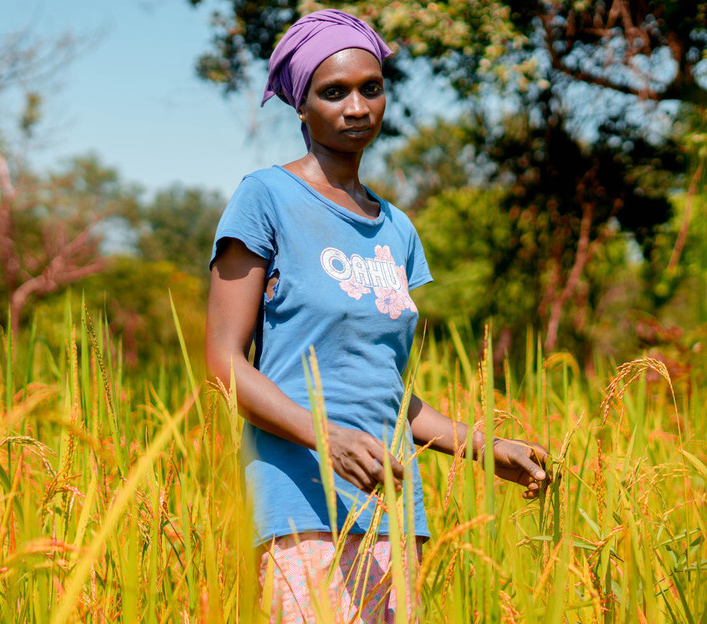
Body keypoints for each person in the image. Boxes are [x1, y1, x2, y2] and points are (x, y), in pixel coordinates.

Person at [205, 9, 551, 622]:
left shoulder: (398, 228)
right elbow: (223, 364)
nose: (357, 106)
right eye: (333, 92)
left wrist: (481, 446)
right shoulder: (266, 199)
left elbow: (387, 390)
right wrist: (327, 438)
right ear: (301, 106)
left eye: (371, 87)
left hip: (393, 506)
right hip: (300, 504)